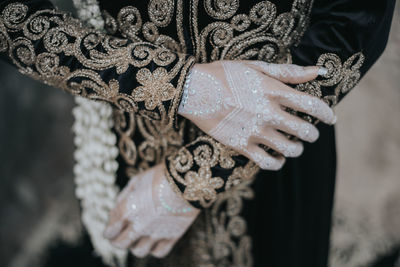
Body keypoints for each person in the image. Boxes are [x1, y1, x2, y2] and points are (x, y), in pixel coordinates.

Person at [0, 0, 395, 266]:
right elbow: (11, 17)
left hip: (276, 137)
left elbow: (352, 24)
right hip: (132, 134)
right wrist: (183, 88)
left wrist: (190, 179)